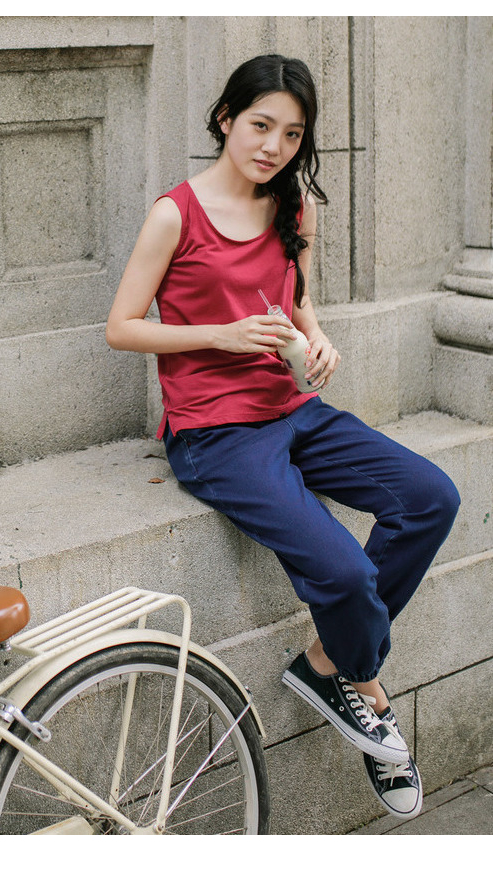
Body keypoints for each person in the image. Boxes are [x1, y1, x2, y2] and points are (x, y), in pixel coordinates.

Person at [105, 53, 460, 822]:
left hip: (295, 409)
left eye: (292, 134)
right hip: (215, 434)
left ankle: (327, 661)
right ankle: (367, 693)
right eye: (261, 125)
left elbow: (296, 303)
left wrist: (318, 335)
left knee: (431, 497)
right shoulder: (175, 214)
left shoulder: (294, 204)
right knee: (345, 573)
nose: (274, 145)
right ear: (225, 119)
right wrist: (222, 335)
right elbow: (121, 327)